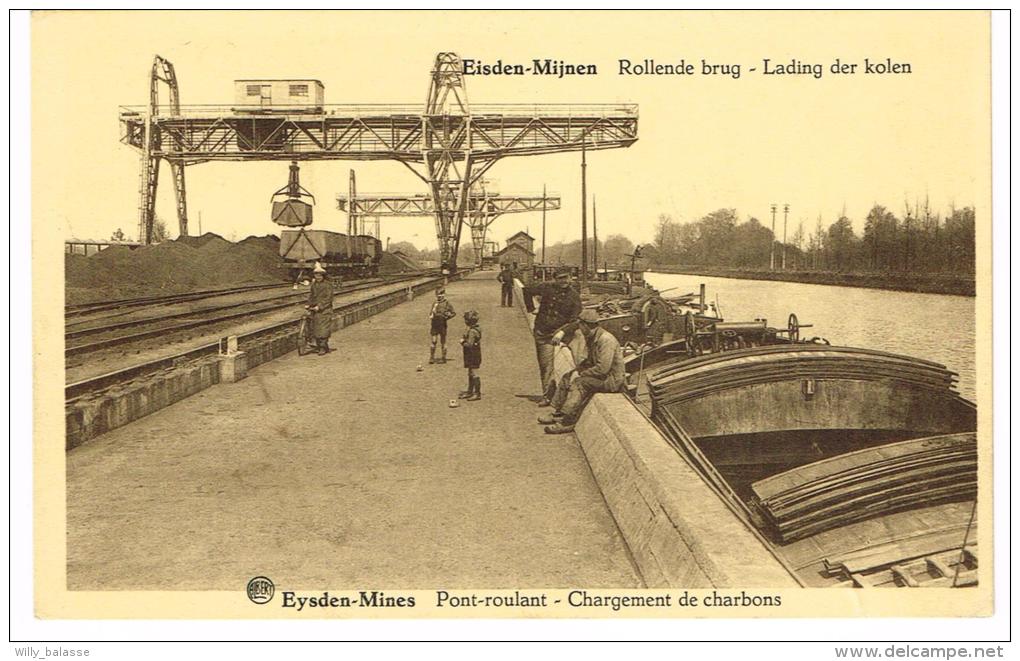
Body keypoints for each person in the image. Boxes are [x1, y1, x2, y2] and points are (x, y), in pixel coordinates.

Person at [544, 309, 626, 434]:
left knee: (579, 383)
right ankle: (558, 413)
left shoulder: (606, 340)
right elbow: (589, 360)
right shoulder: (592, 336)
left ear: (585, 325)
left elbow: (603, 368)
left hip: (612, 381)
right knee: (568, 376)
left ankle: (568, 421)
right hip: (602, 377)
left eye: (580, 326)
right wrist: (577, 370)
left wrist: (581, 373)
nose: (579, 329)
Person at [523, 269, 582, 405]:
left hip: (564, 332)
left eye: (566, 278)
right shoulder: (546, 287)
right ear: (555, 279)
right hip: (543, 332)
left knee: (580, 360)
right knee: (546, 366)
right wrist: (531, 308)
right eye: (560, 278)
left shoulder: (574, 296)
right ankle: (548, 396)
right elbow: (526, 290)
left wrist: (563, 332)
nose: (564, 281)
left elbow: (576, 320)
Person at [307, 262, 334, 355]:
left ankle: (322, 347)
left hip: (325, 310)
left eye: (319, 275)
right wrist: (309, 304)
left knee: (323, 329)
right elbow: (311, 296)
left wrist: (320, 306)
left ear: (323, 276)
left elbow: (329, 298)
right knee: (315, 328)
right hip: (315, 309)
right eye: (316, 275)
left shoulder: (328, 285)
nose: (318, 277)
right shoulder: (314, 285)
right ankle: (320, 346)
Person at [458, 309, 482, 401]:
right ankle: (470, 391)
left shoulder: (472, 331)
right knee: (470, 372)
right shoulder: (476, 328)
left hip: (473, 354)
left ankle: (477, 393)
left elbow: (469, 344)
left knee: (474, 373)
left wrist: (462, 342)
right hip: (474, 353)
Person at [428, 288, 456, 364]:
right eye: (438, 295)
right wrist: (431, 314)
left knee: (443, 341)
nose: (439, 297)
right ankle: (432, 357)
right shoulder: (435, 303)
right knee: (434, 341)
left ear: (444, 295)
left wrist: (447, 316)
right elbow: (430, 313)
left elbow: (453, 313)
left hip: (442, 323)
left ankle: (443, 358)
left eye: (441, 295)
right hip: (434, 323)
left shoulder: (447, 303)